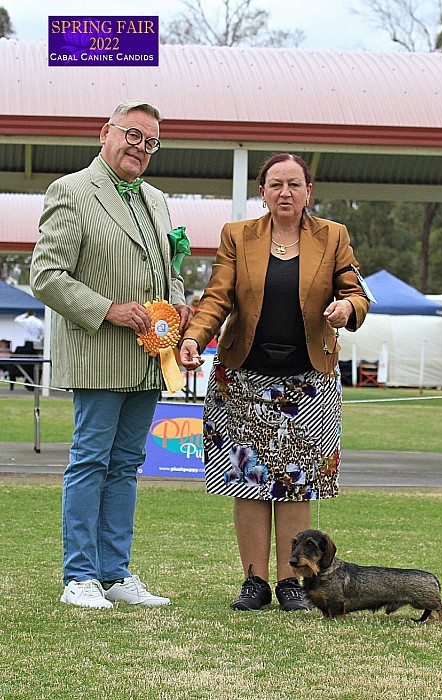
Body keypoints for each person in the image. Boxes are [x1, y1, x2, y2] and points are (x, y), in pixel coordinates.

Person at [179, 153, 370, 612]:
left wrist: (347, 309)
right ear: (261, 191)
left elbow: (356, 292)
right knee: (248, 482)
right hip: (242, 379)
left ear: (309, 192)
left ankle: (290, 583)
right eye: (275, 184)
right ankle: (254, 582)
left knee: (297, 484)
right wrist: (193, 337)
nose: (285, 192)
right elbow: (217, 297)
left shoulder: (334, 236)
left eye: (294, 184)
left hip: (309, 383)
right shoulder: (237, 236)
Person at [30, 100, 192, 609]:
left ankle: (114, 573)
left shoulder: (158, 201)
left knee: (125, 465)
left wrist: (180, 304)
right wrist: (107, 310)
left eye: (151, 142)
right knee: (90, 461)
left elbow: (168, 272)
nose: (141, 148)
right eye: (133, 135)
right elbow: (46, 275)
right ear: (107, 133)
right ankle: (79, 576)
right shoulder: (71, 191)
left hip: (148, 359)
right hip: (97, 354)